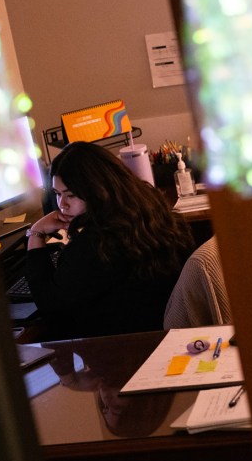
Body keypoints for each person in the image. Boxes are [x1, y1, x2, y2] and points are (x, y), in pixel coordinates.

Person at [23, 141, 194, 339]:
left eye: (71, 195)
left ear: (97, 190)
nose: (62, 204)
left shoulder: (97, 243)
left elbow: (49, 304)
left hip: (121, 350)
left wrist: (35, 234)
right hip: (163, 337)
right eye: (57, 194)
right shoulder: (151, 213)